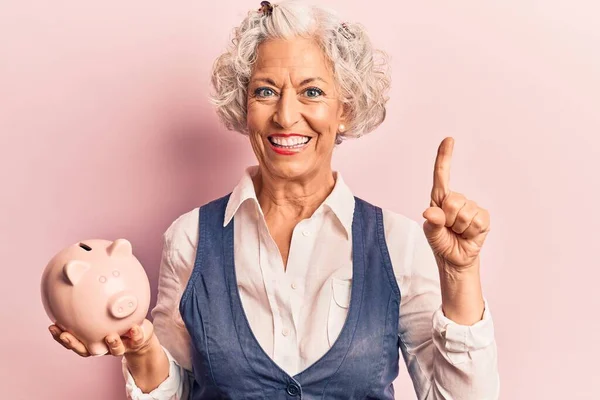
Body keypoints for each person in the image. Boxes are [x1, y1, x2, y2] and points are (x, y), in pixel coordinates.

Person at [48, 1, 500, 398]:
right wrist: (142, 348)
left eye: (312, 92)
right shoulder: (190, 238)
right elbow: (175, 391)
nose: (285, 115)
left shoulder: (398, 243)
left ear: (343, 110)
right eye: (265, 91)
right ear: (243, 106)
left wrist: (460, 274)